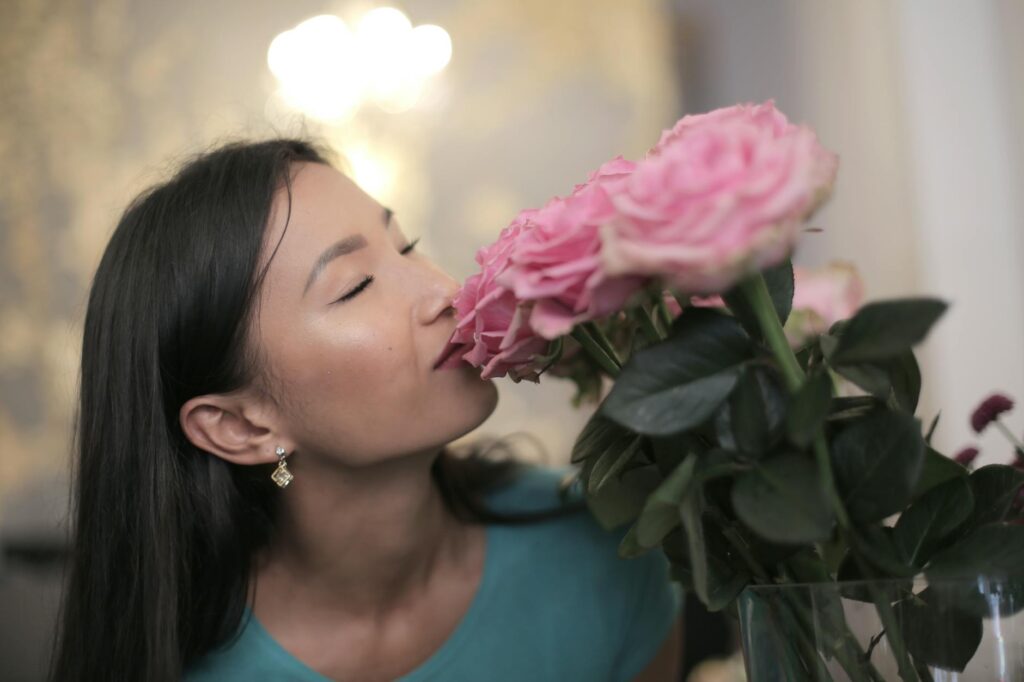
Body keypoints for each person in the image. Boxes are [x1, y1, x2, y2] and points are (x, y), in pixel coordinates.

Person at [49, 139, 682, 681]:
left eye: (407, 247)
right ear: (240, 425)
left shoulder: (602, 546)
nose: (445, 291)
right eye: (355, 286)